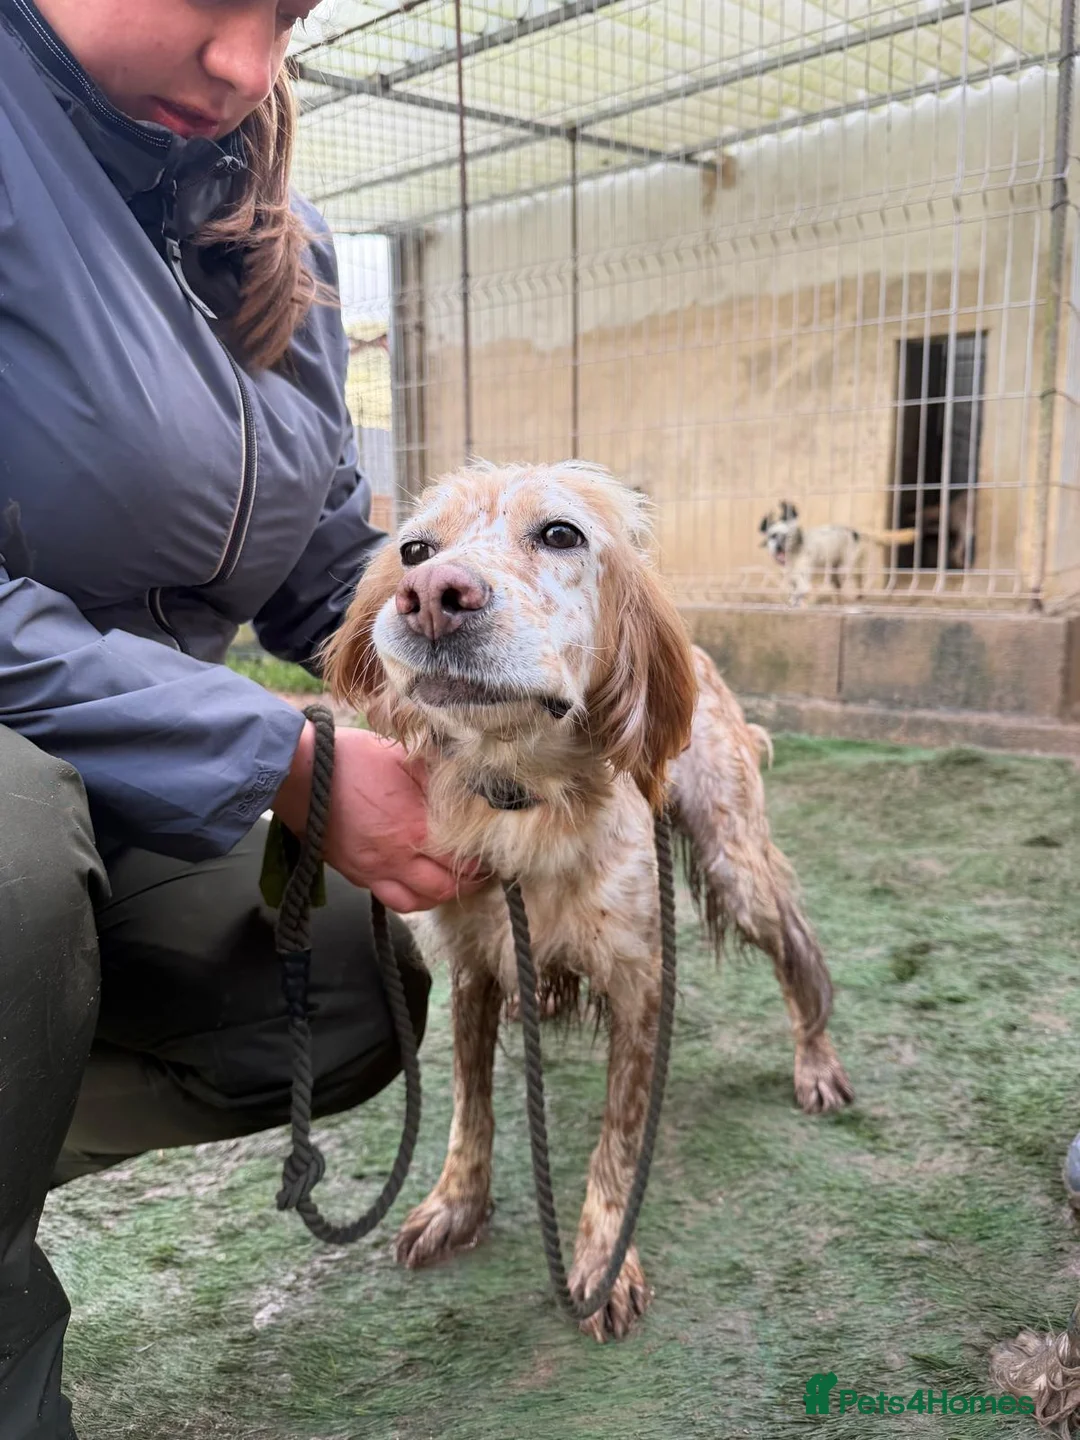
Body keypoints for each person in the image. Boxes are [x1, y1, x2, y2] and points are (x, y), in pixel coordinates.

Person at [0, 3, 483, 1435]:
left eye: (288, 12)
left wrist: (505, 661)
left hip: (130, 759)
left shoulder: (278, 232)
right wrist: (274, 753)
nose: (249, 65)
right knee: (13, 877)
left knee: (345, 988)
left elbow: (325, 566)